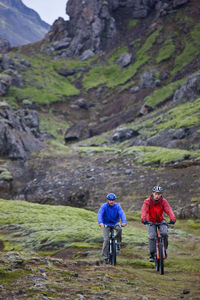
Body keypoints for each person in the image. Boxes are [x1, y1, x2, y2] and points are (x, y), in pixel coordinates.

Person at [141, 185, 176, 262]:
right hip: (150, 221)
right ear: (153, 193)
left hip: (161, 221)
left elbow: (168, 210)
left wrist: (172, 218)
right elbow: (144, 210)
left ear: (161, 194)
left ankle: (164, 250)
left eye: (159, 194)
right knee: (152, 236)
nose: (157, 196)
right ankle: (152, 254)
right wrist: (143, 219)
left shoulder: (164, 201)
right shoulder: (147, 201)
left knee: (165, 233)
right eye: (156, 194)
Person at [97, 193, 127, 264]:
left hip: (115, 223)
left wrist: (124, 221)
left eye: (113, 200)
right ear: (107, 200)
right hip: (106, 224)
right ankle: (105, 258)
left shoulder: (117, 206)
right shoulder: (104, 206)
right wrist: (100, 223)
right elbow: (99, 214)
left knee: (119, 229)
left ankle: (118, 243)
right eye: (110, 200)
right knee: (106, 240)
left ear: (114, 200)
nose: (111, 201)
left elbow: (122, 213)